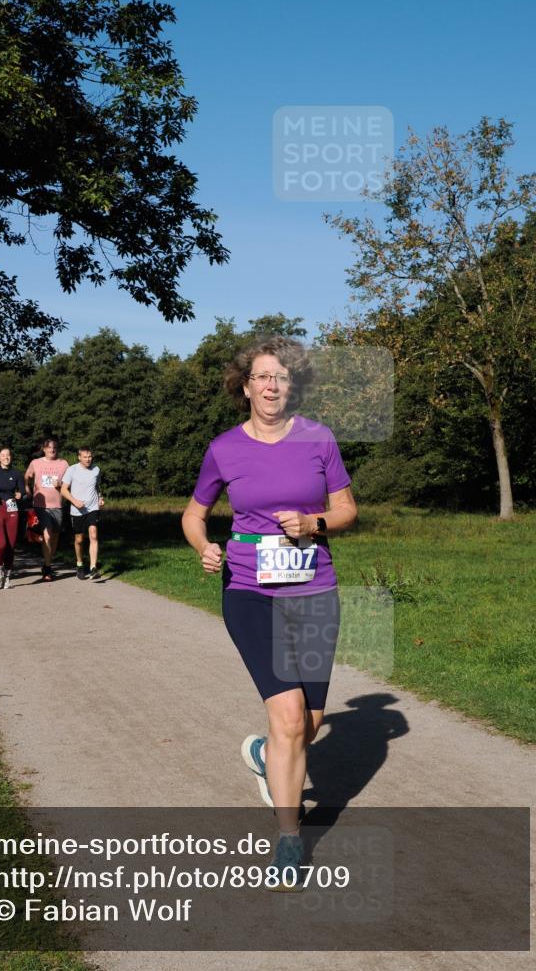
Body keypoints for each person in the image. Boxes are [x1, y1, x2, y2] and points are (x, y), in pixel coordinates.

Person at [181, 336, 358, 890]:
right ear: (246, 386)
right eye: (261, 376)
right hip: (251, 592)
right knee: (287, 717)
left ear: (292, 384)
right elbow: (193, 514)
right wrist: (202, 546)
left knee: (308, 724)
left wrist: (316, 525)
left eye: (280, 375)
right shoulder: (224, 449)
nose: (271, 385)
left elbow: (347, 508)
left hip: (314, 591)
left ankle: (263, 754)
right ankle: (288, 838)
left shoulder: (318, 439)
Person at [24, 437, 69, 581]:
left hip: (57, 505)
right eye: (49, 447)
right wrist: (27, 488)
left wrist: (60, 483)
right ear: (44, 449)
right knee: (47, 533)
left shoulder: (64, 464)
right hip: (41, 506)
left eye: (54, 446)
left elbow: (69, 483)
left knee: (55, 536)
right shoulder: (36, 463)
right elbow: (27, 476)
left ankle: (47, 562)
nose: (52, 449)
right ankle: (48, 569)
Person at [61, 446, 104, 580]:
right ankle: (80, 564)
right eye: (85, 457)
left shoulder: (96, 469)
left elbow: (97, 487)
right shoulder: (72, 470)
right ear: (79, 457)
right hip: (77, 510)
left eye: (90, 456)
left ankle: (93, 567)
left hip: (92, 508)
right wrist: (74, 501)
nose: (88, 459)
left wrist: (100, 498)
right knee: (79, 539)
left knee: (93, 534)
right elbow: (63, 489)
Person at [0, 447, 24, 590]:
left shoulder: (17, 474)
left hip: (12, 509)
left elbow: (23, 492)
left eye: (8, 455)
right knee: (1, 544)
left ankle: (7, 577)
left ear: (11, 457)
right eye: (3, 455)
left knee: (11, 545)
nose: (6, 457)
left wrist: (21, 495)